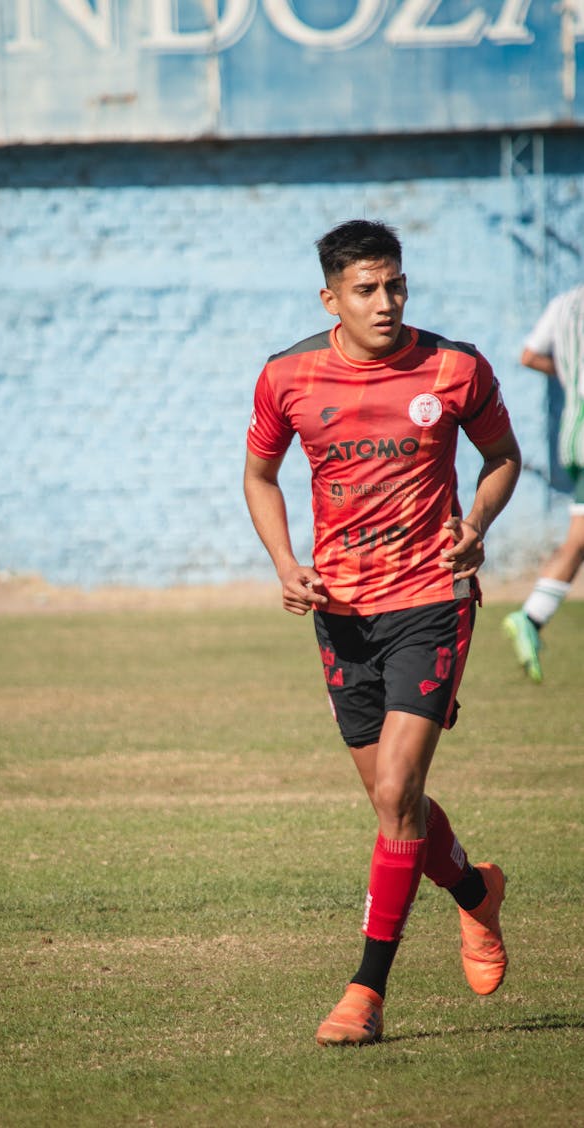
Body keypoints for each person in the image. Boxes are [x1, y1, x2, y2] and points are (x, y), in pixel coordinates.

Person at [243, 219, 522, 1046]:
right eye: (367, 290)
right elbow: (260, 476)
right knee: (389, 800)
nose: (387, 303)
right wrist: (287, 564)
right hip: (342, 614)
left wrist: (476, 522)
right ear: (330, 297)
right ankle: (475, 892)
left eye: (395, 285)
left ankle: (364, 994)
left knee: (398, 794)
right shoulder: (286, 375)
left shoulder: (454, 367)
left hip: (433, 598)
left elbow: (504, 456)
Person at [502, 284, 584, 683]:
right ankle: (531, 617)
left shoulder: (566, 303)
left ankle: (532, 617)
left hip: (575, 430)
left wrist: (570, 371)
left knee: (579, 537)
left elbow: (530, 355)